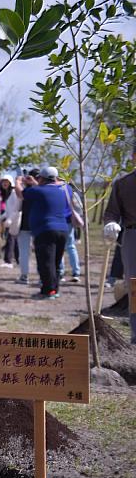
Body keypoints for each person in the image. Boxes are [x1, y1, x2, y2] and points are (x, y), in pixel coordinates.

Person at [102, 146, 136, 343]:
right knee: (134, 285)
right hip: (133, 235)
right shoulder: (123, 184)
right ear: (133, 157)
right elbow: (112, 211)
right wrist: (111, 223)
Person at [22, 166, 70, 299]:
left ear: (41, 179)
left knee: (46, 262)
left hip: (45, 230)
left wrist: (21, 182)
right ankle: (54, 289)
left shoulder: (37, 191)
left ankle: (48, 291)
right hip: (63, 230)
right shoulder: (62, 191)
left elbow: (22, 194)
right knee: (55, 262)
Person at [14, 168, 41, 284]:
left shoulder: (30, 190)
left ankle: (24, 276)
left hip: (27, 224)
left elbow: (19, 194)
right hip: (38, 225)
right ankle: (42, 277)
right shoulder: (44, 189)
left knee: (24, 252)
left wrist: (18, 181)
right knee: (40, 252)